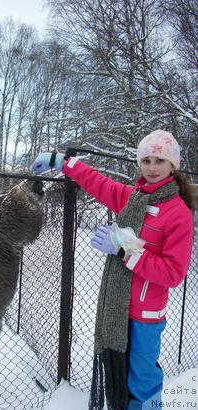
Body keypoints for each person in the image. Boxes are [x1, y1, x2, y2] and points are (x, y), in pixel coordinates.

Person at [30, 130, 196, 410]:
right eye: (146, 160)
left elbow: (173, 273)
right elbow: (98, 183)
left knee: (142, 382)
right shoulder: (133, 198)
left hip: (146, 316)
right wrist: (61, 162)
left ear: (172, 166)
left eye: (159, 160)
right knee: (119, 380)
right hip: (117, 310)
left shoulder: (177, 212)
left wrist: (124, 249)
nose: (152, 168)